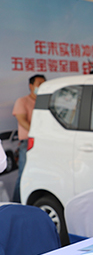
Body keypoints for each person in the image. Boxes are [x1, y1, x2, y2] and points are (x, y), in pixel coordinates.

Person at [12, 74, 46, 203]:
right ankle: (16, 204)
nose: (41, 86)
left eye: (44, 83)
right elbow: (22, 121)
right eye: (39, 84)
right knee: (24, 175)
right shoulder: (22, 101)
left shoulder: (46, 101)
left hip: (45, 142)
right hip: (29, 143)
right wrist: (37, 133)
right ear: (31, 86)